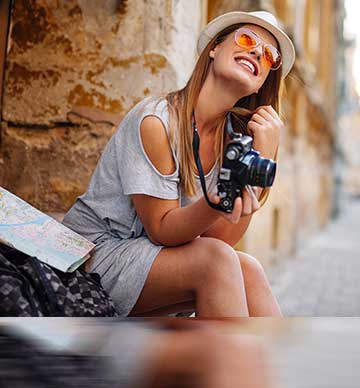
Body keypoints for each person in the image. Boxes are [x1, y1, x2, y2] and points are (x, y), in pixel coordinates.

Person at [63, 11, 296, 317]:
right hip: (89, 257)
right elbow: (161, 229)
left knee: (246, 267)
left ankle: (279, 365)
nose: (256, 51)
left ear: (260, 84)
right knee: (215, 262)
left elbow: (219, 240)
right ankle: (233, 364)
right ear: (214, 48)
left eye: (269, 55)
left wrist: (259, 163)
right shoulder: (157, 121)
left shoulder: (233, 143)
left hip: (152, 257)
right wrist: (214, 204)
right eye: (246, 39)